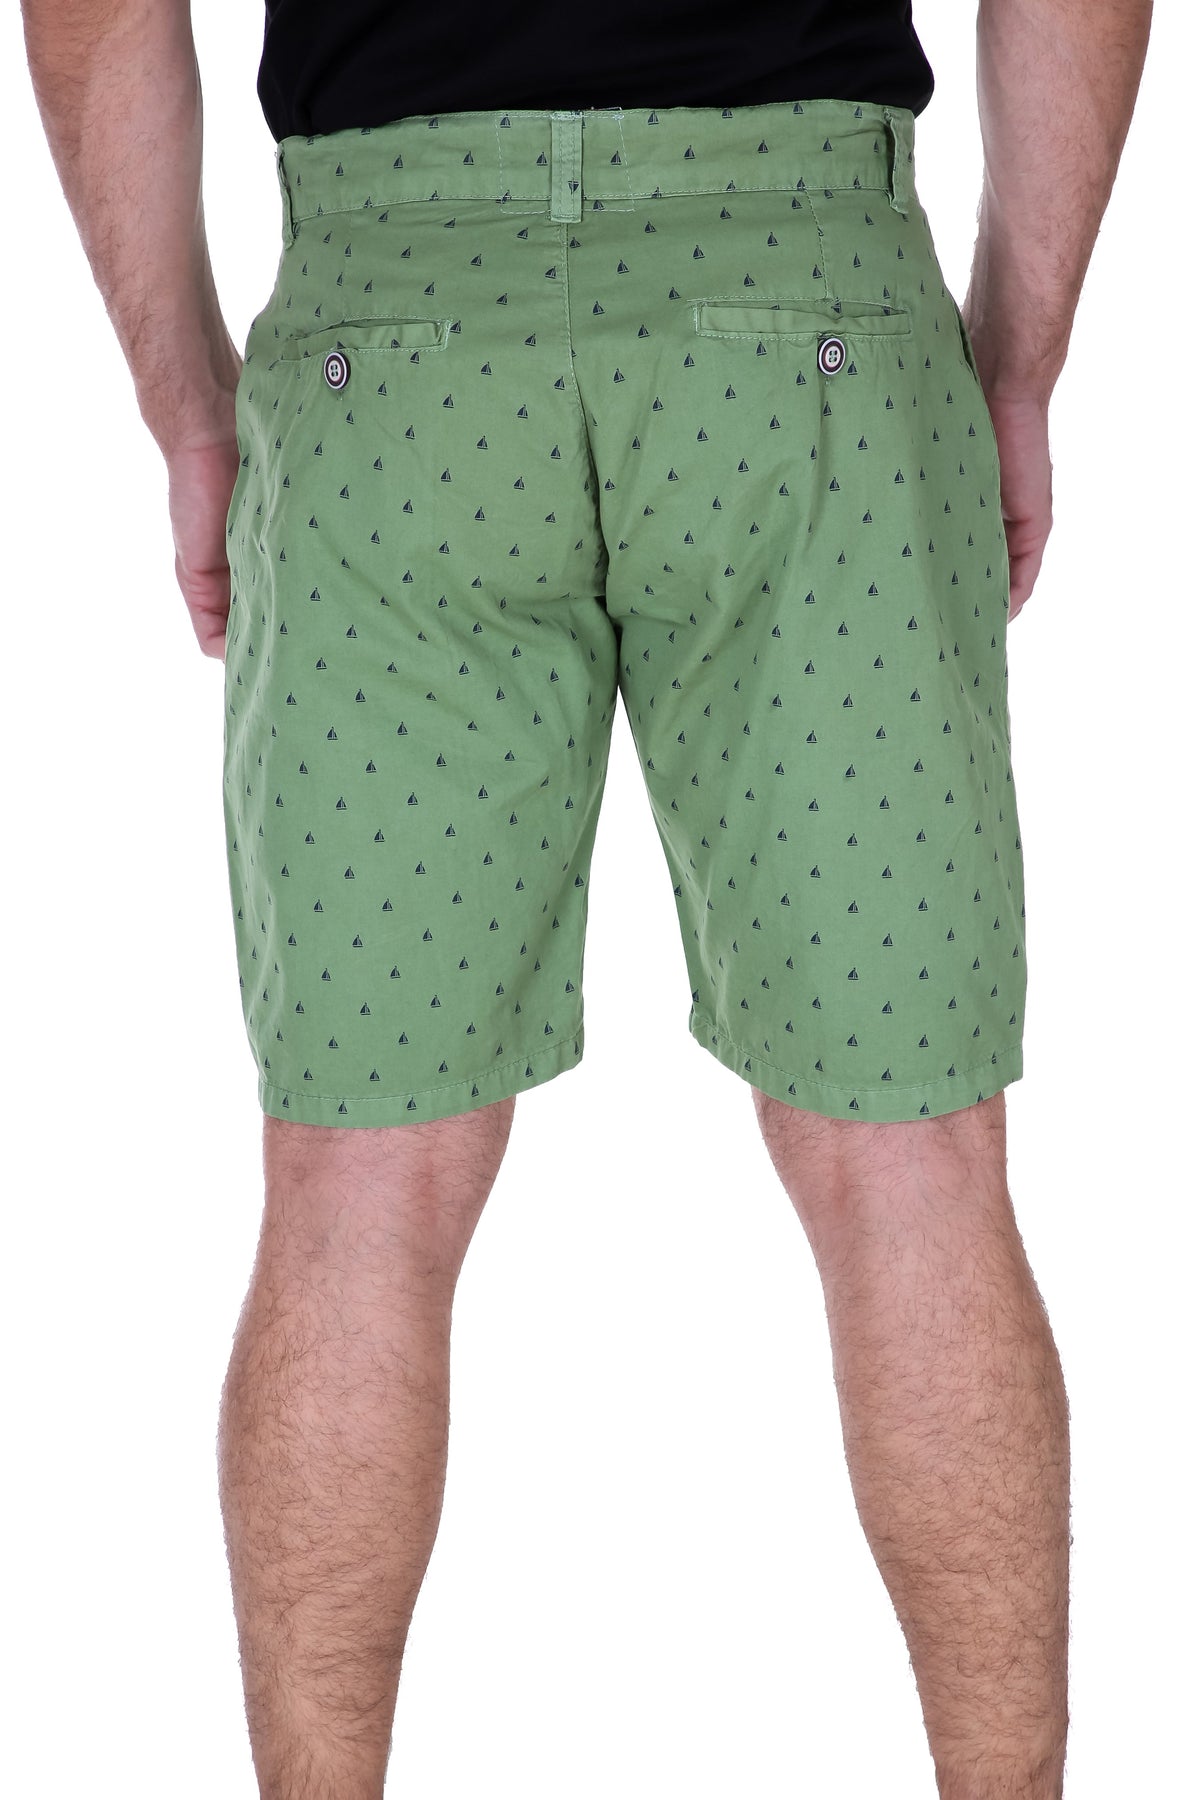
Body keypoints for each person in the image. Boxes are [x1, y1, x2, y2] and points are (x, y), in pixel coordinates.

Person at [20, 1, 1152, 1795]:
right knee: (913, 1165)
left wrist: (187, 411)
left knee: (358, 1187)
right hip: (805, 321)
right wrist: (1014, 365)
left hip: (398, 345)